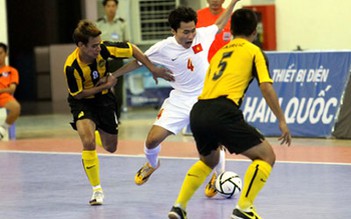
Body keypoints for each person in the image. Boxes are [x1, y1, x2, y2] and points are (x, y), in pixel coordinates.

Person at [168, 8, 292, 219]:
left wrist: (218, 130)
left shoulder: (219, 53)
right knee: (266, 156)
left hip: (199, 111)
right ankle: (244, 208)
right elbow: (266, 87)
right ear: (255, 32)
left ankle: (179, 207)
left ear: (231, 30)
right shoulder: (254, 51)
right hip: (222, 111)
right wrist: (281, 120)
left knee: (209, 161)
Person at [115, 0, 239, 195]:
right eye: (185, 32)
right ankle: (152, 164)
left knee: (213, 141)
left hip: (206, 98)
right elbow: (138, 61)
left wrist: (233, 2)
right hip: (180, 100)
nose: (191, 36)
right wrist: (113, 76)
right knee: (152, 141)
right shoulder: (163, 48)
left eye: (192, 30)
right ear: (174, 31)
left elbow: (220, 23)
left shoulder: (202, 35)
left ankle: (218, 176)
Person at [63, 20, 173, 206]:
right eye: (94, 45)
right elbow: (79, 94)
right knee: (87, 141)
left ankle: (95, 131)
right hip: (83, 102)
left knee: (111, 147)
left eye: (99, 44)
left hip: (105, 100)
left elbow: (133, 49)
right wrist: (106, 84)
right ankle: (97, 190)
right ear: (81, 45)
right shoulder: (71, 67)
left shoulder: (104, 49)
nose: (99, 48)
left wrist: (152, 68)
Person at [194, 0, 233, 197]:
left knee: (218, 127)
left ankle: (219, 175)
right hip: (200, 79)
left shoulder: (231, 17)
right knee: (204, 129)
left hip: (224, 78)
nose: (216, 0)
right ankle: (214, 169)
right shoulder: (197, 17)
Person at [96, 0, 130, 124]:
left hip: (117, 62)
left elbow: (127, 42)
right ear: (104, 8)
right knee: (102, 90)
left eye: (113, 6)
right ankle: (103, 116)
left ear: (116, 7)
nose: (111, 8)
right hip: (102, 62)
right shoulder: (98, 24)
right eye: (108, 6)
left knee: (119, 92)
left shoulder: (122, 24)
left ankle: (117, 117)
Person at [0, 42, 21, 140]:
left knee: (16, 107)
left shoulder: (12, 71)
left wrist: (2, 90)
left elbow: (12, 89)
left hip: (4, 96)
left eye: (0, 53)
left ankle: (2, 130)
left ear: (6, 54)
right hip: (3, 92)